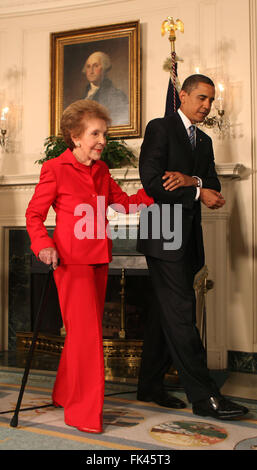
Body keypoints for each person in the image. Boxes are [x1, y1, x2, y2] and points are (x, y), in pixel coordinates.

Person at [25, 99, 153, 434]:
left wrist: (155, 192)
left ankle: (65, 393)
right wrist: (43, 245)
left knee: (83, 335)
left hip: (98, 259)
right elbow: (34, 216)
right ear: (75, 136)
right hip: (70, 262)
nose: (102, 140)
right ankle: (84, 413)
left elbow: (123, 203)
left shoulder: (101, 170)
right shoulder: (54, 168)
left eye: (104, 134)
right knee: (88, 339)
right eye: (95, 133)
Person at [136, 74, 249, 420]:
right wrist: (198, 191)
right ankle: (205, 397)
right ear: (182, 96)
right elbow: (153, 182)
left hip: (188, 235)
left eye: (211, 101)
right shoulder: (160, 127)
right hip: (162, 230)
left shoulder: (204, 140)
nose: (207, 106)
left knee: (163, 314)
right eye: (201, 98)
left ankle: (150, 386)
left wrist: (191, 181)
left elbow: (213, 183)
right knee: (183, 316)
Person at [82, 51, 129, 126]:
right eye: (88, 66)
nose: (91, 71)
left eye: (96, 66)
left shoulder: (116, 95)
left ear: (104, 68)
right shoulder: (85, 95)